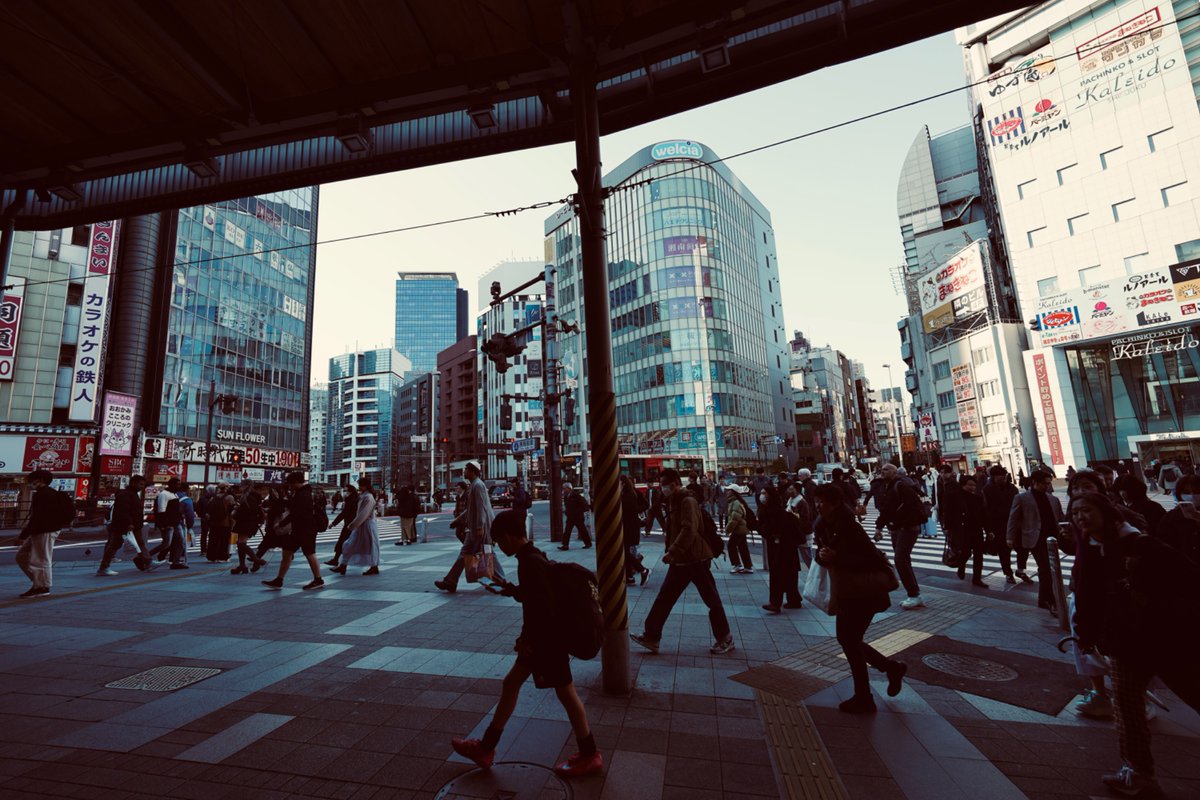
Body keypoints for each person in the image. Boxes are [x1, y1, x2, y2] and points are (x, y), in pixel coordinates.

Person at [1066, 491, 1200, 797]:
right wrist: (1087, 637)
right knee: (1127, 707)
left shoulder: (1140, 545)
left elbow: (1190, 577)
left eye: (1086, 510)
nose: (1080, 517)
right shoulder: (1089, 548)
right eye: (1075, 513)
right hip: (1124, 644)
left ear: (1106, 512)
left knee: (1193, 690)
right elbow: (1089, 597)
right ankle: (1138, 772)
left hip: (1165, 639)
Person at [450, 510, 603, 777]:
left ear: (509, 537)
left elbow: (542, 609)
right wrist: (512, 590)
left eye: (499, 541)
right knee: (514, 685)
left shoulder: (529, 562)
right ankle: (486, 747)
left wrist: (526, 639)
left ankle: (589, 754)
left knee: (565, 694)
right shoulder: (534, 556)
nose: (499, 546)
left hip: (545, 642)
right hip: (546, 640)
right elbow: (538, 595)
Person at [812, 484, 907, 713]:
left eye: (822, 502)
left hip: (865, 593)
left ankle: (865, 696)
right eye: (817, 501)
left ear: (835, 504)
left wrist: (838, 556)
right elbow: (824, 554)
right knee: (848, 640)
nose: (818, 506)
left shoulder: (849, 527)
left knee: (848, 640)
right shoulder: (825, 525)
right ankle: (889, 671)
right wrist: (823, 556)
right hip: (848, 591)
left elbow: (871, 559)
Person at [631, 469, 734, 655]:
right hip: (681, 561)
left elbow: (689, 529)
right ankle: (651, 636)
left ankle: (725, 637)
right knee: (664, 598)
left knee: (711, 599)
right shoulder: (674, 501)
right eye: (662, 485)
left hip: (695, 558)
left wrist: (672, 551)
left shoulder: (687, 500)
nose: (663, 488)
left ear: (675, 483)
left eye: (665, 485)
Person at [436, 461, 504, 592]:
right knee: (472, 553)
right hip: (476, 528)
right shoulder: (474, 485)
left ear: (473, 471)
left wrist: (479, 527)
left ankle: (501, 581)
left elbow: (481, 508)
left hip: (480, 528)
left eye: (466, 469)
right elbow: (471, 509)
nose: (464, 471)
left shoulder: (478, 485)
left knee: (487, 553)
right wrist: (458, 520)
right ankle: (450, 581)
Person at [1005, 468, 1062, 615]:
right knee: (1045, 569)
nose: (1047, 486)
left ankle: (1043, 599)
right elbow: (1013, 518)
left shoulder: (1053, 499)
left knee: (1050, 570)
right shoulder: (1022, 498)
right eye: (1044, 483)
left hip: (1053, 539)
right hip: (1034, 538)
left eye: (1049, 483)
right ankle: (1050, 600)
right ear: (1034, 482)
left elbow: (1060, 518)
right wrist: (1010, 537)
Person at [874, 463, 926, 610]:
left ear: (894, 472)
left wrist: (901, 521)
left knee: (900, 559)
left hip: (907, 528)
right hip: (896, 528)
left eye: (886, 469)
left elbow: (913, 505)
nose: (883, 471)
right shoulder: (886, 486)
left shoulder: (901, 485)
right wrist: (880, 527)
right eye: (882, 469)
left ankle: (914, 595)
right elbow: (886, 510)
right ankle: (915, 594)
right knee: (903, 560)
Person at [262, 472, 325, 590]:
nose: (289, 486)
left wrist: (280, 524)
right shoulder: (303, 493)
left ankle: (318, 579)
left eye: (290, 483)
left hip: (306, 529)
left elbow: (296, 513)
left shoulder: (304, 494)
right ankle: (279, 580)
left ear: (296, 482)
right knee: (287, 552)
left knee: (309, 553)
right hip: (299, 529)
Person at [15, 470, 66, 598]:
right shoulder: (47, 493)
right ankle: (39, 582)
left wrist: (23, 535)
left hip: (45, 530)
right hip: (42, 530)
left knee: (41, 559)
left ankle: (42, 587)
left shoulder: (43, 495)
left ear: (40, 480)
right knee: (22, 556)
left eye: (33, 479)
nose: (31, 482)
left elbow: (36, 517)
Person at [758, 485, 802, 613]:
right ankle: (794, 600)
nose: (762, 495)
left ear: (770, 495)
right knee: (789, 574)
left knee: (777, 574)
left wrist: (762, 529)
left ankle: (775, 603)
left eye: (764, 493)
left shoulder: (771, 511)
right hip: (788, 547)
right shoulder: (778, 508)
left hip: (779, 546)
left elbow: (769, 529)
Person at [97, 475, 150, 576]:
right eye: (141, 484)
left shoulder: (132, 494)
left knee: (139, 543)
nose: (142, 487)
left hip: (133, 525)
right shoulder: (125, 494)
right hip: (123, 525)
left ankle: (148, 562)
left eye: (143, 485)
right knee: (115, 544)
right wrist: (129, 523)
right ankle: (103, 567)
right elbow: (124, 511)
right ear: (133, 483)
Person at [329, 477, 381, 576]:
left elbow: (363, 514)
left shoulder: (368, 497)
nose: (359, 487)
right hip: (362, 525)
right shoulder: (364, 496)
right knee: (350, 544)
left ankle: (373, 566)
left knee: (368, 546)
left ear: (365, 486)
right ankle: (343, 565)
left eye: (360, 485)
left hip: (366, 525)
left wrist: (353, 524)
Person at [981, 466, 1018, 584]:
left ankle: (1020, 568)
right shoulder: (987, 490)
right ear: (994, 477)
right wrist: (989, 529)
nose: (1003, 477)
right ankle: (1008, 573)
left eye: (1004, 475)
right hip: (998, 524)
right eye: (1000, 475)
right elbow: (985, 510)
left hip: (1014, 522)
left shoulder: (1012, 488)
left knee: (1021, 547)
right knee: (1004, 551)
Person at [954, 474, 989, 588]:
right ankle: (961, 565)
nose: (973, 487)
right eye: (970, 485)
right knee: (966, 552)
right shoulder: (955, 497)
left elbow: (984, 515)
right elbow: (950, 514)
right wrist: (950, 529)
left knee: (979, 554)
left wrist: (989, 530)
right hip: (963, 530)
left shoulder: (977, 498)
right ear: (963, 485)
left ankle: (977, 578)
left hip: (977, 529)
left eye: (974, 485)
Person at [1158, 474, 1200, 562]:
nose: (1192, 495)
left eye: (1196, 492)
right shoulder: (1171, 517)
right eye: (1186, 492)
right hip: (1184, 567)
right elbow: (1165, 545)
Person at [229, 481, 267, 575]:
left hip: (247, 523)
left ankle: (256, 560)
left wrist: (236, 511)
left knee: (241, 544)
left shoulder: (250, 497)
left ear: (246, 486)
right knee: (240, 543)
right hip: (246, 522)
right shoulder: (248, 496)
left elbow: (249, 511)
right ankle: (243, 566)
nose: (240, 487)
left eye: (241, 485)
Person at [620, 474, 650, 586]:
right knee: (625, 552)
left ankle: (642, 570)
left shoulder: (629, 495)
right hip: (628, 527)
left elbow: (627, 511)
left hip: (629, 528)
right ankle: (630, 577)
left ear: (623, 484)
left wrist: (635, 511)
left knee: (625, 552)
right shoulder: (627, 494)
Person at [150, 478, 187, 569]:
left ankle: (176, 561)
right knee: (166, 544)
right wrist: (163, 524)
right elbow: (161, 510)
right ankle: (145, 556)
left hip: (176, 522)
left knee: (180, 542)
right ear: (172, 484)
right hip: (169, 523)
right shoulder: (164, 494)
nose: (179, 486)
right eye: (177, 484)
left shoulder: (174, 494)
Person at [724, 488, 754, 574]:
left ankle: (737, 565)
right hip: (741, 528)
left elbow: (735, 518)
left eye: (729, 490)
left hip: (739, 529)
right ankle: (748, 566)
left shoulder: (735, 503)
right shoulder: (734, 501)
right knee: (742, 547)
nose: (727, 492)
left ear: (733, 492)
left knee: (731, 545)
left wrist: (728, 529)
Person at [786, 482, 814, 567]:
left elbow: (804, 519)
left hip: (803, 533)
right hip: (795, 532)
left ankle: (813, 574)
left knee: (807, 556)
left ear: (797, 491)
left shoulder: (802, 503)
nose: (788, 491)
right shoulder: (790, 500)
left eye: (791, 489)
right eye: (789, 489)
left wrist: (793, 516)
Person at [205, 483, 233, 562]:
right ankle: (222, 557)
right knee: (224, 540)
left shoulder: (213, 498)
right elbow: (232, 511)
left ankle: (211, 557)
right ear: (226, 488)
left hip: (214, 523)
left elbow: (208, 509)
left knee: (213, 540)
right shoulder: (229, 497)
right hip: (225, 522)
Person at [559, 483, 592, 550]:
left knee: (582, 530)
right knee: (567, 531)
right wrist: (567, 512)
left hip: (578, 517)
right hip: (570, 517)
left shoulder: (576, 495)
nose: (563, 490)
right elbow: (567, 506)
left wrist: (578, 512)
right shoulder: (566, 496)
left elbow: (584, 506)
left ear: (569, 488)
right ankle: (565, 545)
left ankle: (588, 543)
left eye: (564, 488)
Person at [178, 483, 196, 558]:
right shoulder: (187, 500)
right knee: (180, 541)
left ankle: (164, 556)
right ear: (187, 489)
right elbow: (189, 514)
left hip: (168, 522)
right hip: (180, 523)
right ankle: (177, 558)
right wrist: (190, 526)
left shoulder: (172, 496)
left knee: (170, 541)